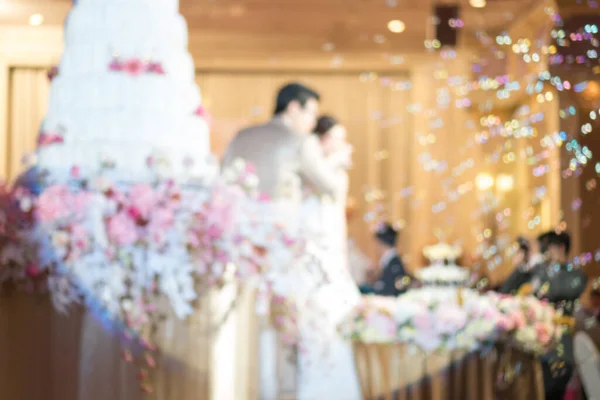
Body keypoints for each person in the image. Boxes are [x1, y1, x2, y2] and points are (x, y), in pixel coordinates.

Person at [221, 83, 353, 400]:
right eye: (311, 114)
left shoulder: (242, 137)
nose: (312, 122)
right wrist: (336, 161)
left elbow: (222, 182)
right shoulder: (300, 142)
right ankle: (282, 389)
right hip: (281, 248)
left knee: (246, 322)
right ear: (293, 108)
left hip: (239, 247)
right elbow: (329, 187)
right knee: (287, 326)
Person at [295, 115, 361, 400]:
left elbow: (338, 222)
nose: (342, 144)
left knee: (336, 319)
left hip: (330, 257)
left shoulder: (339, 176)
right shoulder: (305, 172)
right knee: (310, 322)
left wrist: (342, 260)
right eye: (337, 136)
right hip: (306, 257)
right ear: (322, 140)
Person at [529, 231, 588, 400]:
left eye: (551, 247)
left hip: (563, 339)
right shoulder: (542, 271)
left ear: (562, 248)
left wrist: (547, 282)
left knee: (557, 384)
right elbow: (532, 290)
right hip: (542, 337)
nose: (548, 252)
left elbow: (560, 290)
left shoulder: (575, 275)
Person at [360, 223, 410, 296]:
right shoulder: (392, 261)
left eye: (376, 243)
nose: (375, 247)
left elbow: (389, 290)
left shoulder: (394, 264)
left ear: (381, 243)